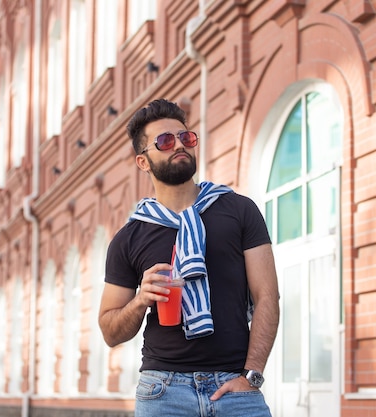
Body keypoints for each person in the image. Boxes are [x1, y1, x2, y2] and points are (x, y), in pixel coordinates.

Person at [99, 98, 280, 417]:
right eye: (165, 141)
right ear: (143, 162)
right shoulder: (128, 238)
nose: (179, 145)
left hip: (235, 389)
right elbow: (110, 332)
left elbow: (267, 296)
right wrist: (141, 300)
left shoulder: (239, 210)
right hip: (163, 392)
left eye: (186, 137)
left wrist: (251, 376)